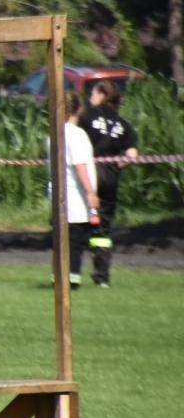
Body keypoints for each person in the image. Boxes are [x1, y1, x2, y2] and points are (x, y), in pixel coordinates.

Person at [77, 81, 139, 287]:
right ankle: (101, 277)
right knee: (103, 228)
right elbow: (131, 155)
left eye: (93, 93)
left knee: (75, 222)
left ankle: (71, 270)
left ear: (102, 94)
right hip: (110, 177)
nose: (90, 98)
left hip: (88, 173)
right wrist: (114, 168)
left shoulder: (85, 117)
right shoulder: (123, 124)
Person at [51, 91, 99, 287]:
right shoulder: (77, 134)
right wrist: (91, 193)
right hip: (75, 197)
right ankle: (71, 279)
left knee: (61, 242)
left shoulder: (54, 133)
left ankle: (59, 277)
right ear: (79, 109)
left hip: (58, 196)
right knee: (74, 241)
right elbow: (80, 166)